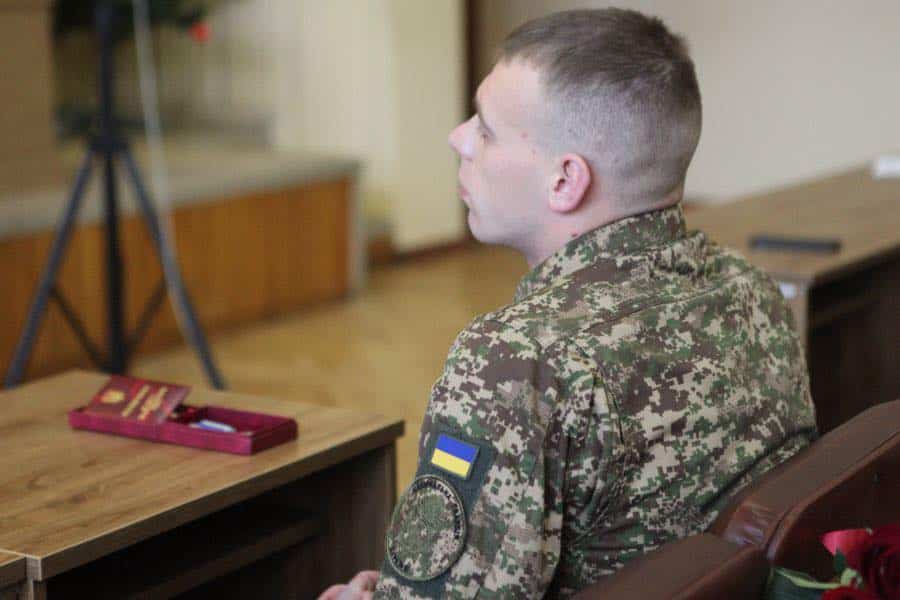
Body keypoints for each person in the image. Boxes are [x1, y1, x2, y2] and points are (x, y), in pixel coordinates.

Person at [321, 7, 817, 599]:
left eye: (486, 129)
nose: (459, 138)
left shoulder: (517, 363)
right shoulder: (753, 291)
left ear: (564, 181)